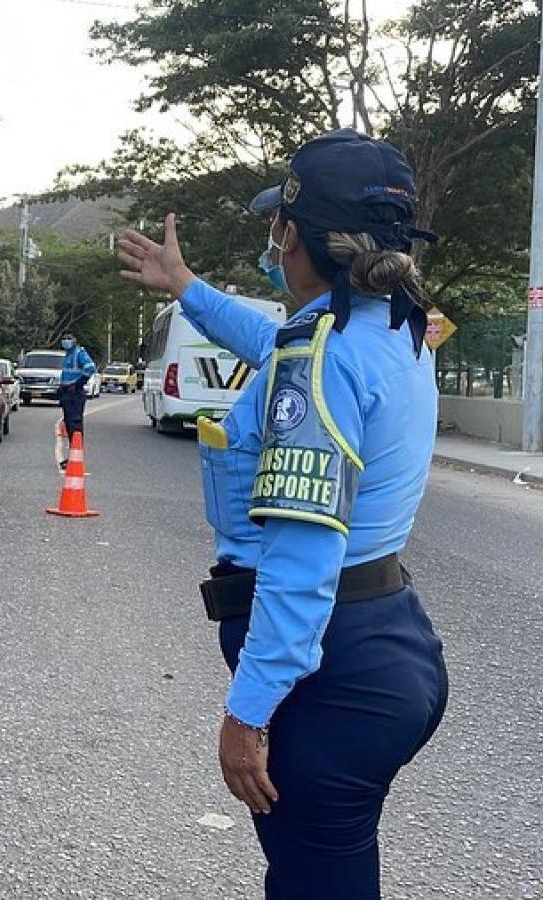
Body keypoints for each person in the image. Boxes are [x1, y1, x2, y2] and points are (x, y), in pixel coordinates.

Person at [117, 129, 449, 898]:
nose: (273, 239)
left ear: (292, 235)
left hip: (331, 673)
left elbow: (301, 562)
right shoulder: (393, 328)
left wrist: (248, 713)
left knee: (311, 883)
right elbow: (278, 341)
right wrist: (184, 285)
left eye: (277, 223)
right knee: (326, 874)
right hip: (386, 641)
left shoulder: (323, 361)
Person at [58, 331, 96, 467]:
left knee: (75, 424)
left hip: (75, 394)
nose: (66, 341)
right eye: (64, 338)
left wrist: (78, 383)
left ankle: (75, 456)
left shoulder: (79, 353)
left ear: (75, 339)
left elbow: (90, 368)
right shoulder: (68, 355)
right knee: (69, 424)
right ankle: (73, 456)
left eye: (69, 338)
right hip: (67, 393)